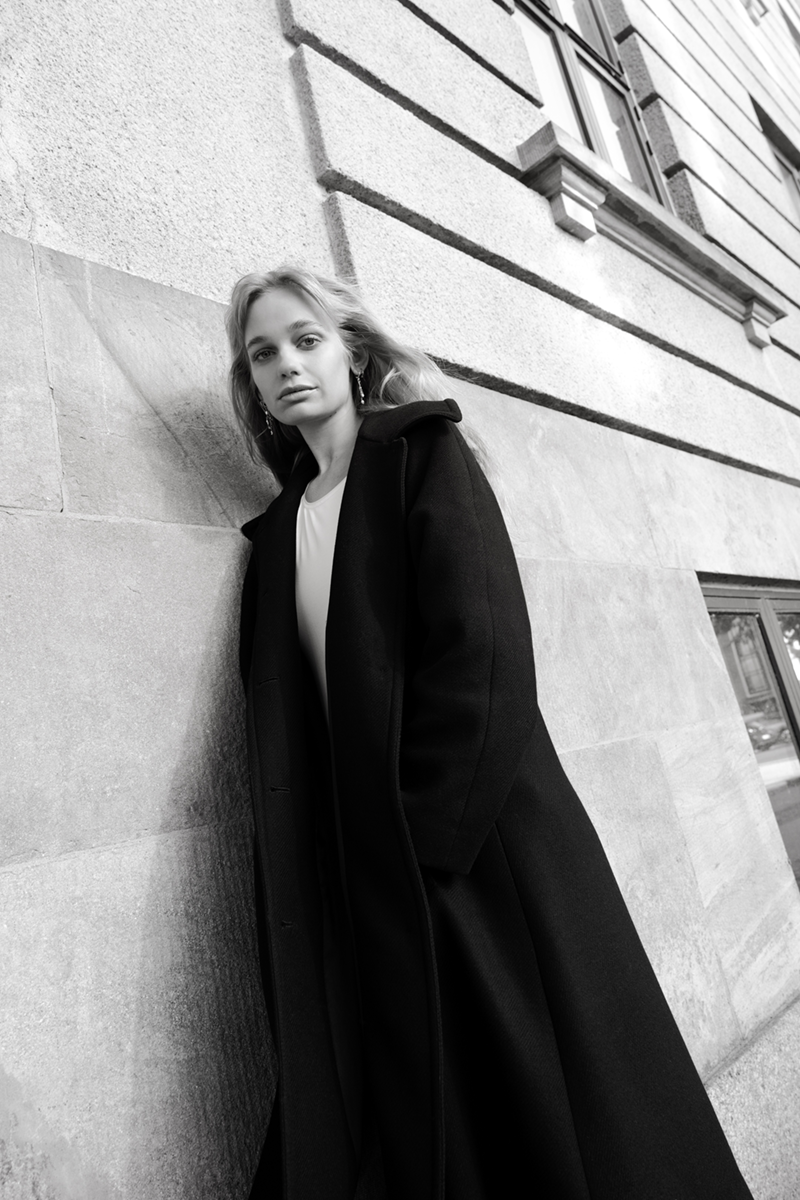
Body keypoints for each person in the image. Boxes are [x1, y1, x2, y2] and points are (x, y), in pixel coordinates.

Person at [227, 266, 754, 1200]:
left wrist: (425, 844)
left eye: (306, 339)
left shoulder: (419, 454)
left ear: (352, 351)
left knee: (554, 1103)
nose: (285, 365)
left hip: (475, 843)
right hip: (367, 870)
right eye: (262, 353)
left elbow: (486, 651)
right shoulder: (276, 534)